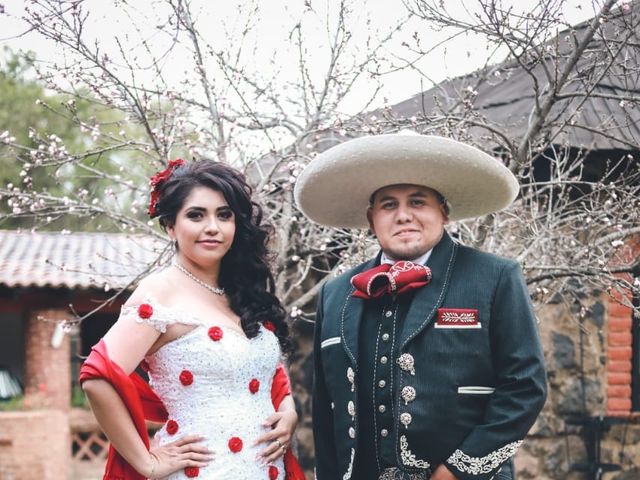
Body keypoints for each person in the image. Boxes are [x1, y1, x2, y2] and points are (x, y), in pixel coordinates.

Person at [294, 134, 547, 480]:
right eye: (388, 205)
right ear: (371, 219)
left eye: (417, 202)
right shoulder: (336, 293)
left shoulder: (495, 277)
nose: (403, 216)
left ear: (443, 212)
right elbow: (325, 410)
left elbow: (524, 387)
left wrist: (457, 471)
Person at [80, 159, 304, 480]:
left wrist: (289, 411)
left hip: (268, 469)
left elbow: (267, 372)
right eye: (196, 215)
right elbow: (97, 377)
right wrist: (146, 462)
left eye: (224, 215)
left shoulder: (244, 293)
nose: (212, 226)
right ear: (171, 225)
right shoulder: (161, 292)